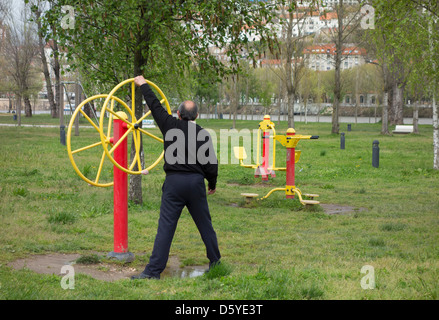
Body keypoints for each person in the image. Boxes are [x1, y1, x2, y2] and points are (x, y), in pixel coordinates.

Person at [131, 75, 221, 280]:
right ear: (196, 116)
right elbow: (211, 164)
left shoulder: (170, 125)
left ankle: (153, 272)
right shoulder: (203, 134)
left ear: (178, 114)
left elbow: (154, 105)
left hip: (173, 184)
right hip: (195, 183)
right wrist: (212, 183)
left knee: (166, 227)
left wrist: (143, 84)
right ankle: (215, 263)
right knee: (205, 225)